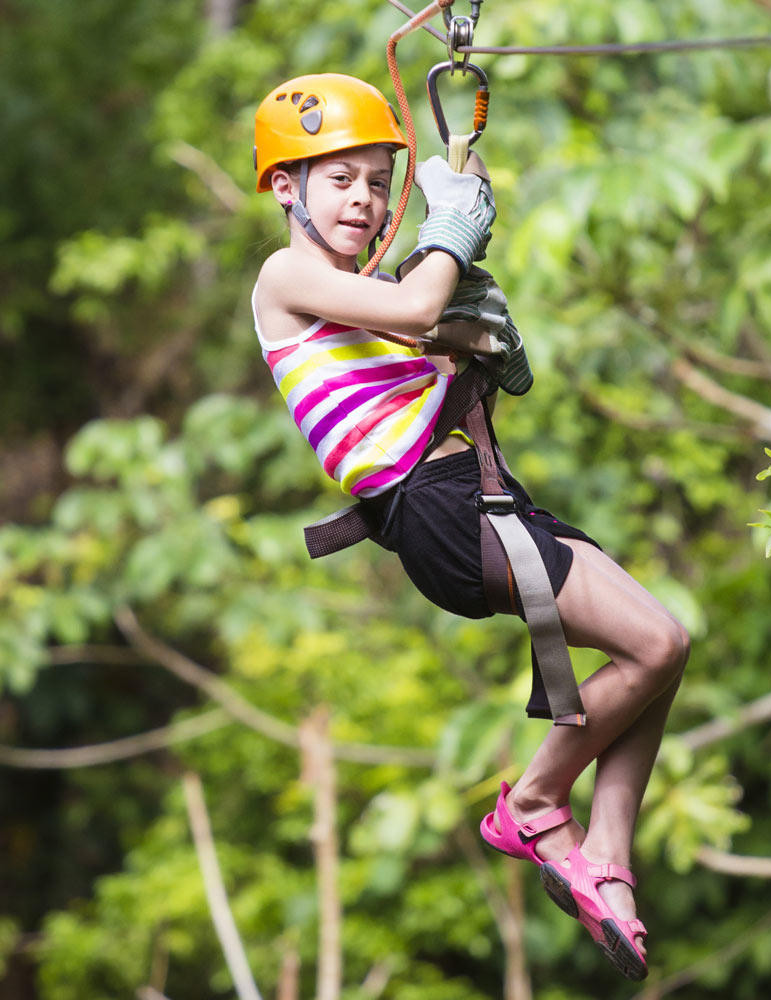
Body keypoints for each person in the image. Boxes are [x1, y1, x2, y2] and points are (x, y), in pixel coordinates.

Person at [251, 72, 689, 982]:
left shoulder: (365, 296)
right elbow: (418, 310)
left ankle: (606, 855)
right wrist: (451, 228)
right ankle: (533, 800)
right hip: (441, 511)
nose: (364, 200)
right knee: (656, 643)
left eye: (378, 182)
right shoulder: (288, 276)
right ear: (286, 188)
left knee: (660, 652)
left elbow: (437, 330)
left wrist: (482, 334)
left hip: (480, 498)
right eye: (340, 180)